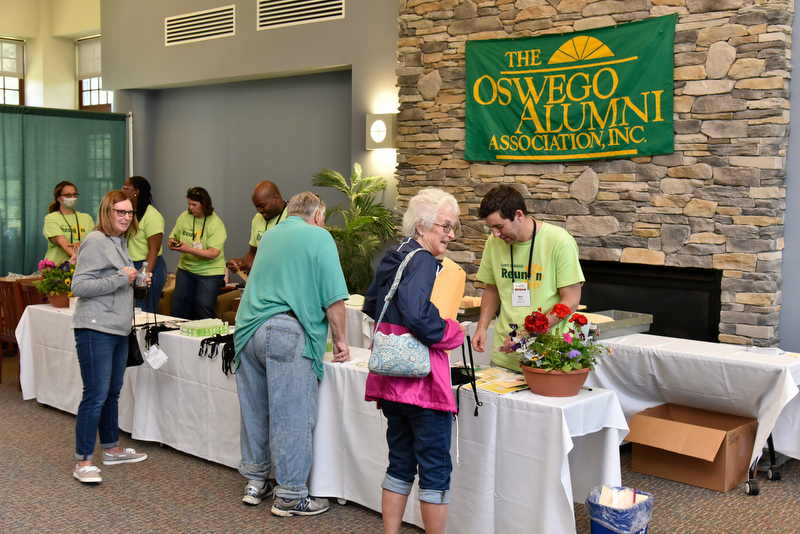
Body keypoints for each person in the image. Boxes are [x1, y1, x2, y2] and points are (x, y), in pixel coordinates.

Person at [233, 192, 349, 517]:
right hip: (286, 331)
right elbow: (335, 297)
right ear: (317, 215)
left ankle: (255, 481)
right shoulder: (319, 236)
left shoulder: (270, 236)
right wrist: (340, 341)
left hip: (247, 332)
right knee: (292, 414)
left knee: (255, 411)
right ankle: (291, 494)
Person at [363, 188, 465, 534]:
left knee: (400, 463)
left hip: (392, 382)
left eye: (454, 227)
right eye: (445, 226)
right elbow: (419, 317)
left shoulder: (396, 254)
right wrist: (451, 331)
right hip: (423, 385)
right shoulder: (423, 260)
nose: (451, 234)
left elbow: (370, 304)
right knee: (435, 469)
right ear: (422, 226)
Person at [70, 190, 150, 484]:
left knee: (112, 393)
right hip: (95, 329)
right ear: (107, 211)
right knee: (95, 395)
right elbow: (79, 286)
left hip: (118, 329)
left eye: (130, 213)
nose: (126, 218)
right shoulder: (95, 241)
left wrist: (137, 282)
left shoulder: (119, 242)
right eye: (121, 212)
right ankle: (83, 462)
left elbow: (118, 282)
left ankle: (112, 449)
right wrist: (121, 279)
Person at [471, 185, 584, 371]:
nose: (495, 234)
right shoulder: (493, 242)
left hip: (548, 357)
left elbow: (571, 302)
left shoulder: (560, 242)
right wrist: (482, 327)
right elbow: (492, 289)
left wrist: (526, 333)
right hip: (504, 355)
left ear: (519, 215)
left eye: (499, 226)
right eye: (491, 228)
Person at [167, 187, 227, 319]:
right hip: (186, 270)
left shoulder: (215, 224)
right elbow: (173, 236)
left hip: (209, 273)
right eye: (189, 204)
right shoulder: (184, 217)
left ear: (204, 204)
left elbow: (213, 254)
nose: (191, 208)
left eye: (194, 205)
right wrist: (172, 243)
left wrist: (188, 249)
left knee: (203, 310)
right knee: (178, 309)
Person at [122, 176, 168, 313]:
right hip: (130, 266)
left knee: (143, 310)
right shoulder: (130, 214)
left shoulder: (152, 216)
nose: (121, 190)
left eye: (125, 187)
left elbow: (154, 249)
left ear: (136, 191)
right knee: (129, 310)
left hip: (147, 266)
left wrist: (144, 276)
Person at [227, 180, 288, 276]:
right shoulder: (257, 219)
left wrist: (257, 265)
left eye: (262, 206)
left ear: (275, 197)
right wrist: (240, 262)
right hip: (263, 281)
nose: (259, 211)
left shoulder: (293, 216)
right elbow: (253, 253)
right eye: (256, 207)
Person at [43, 181, 95, 264]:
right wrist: (74, 255)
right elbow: (60, 240)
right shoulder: (51, 218)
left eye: (74, 194)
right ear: (58, 198)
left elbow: (94, 241)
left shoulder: (87, 218)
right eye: (68, 195)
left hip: (82, 267)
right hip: (56, 268)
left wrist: (81, 243)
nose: (72, 197)